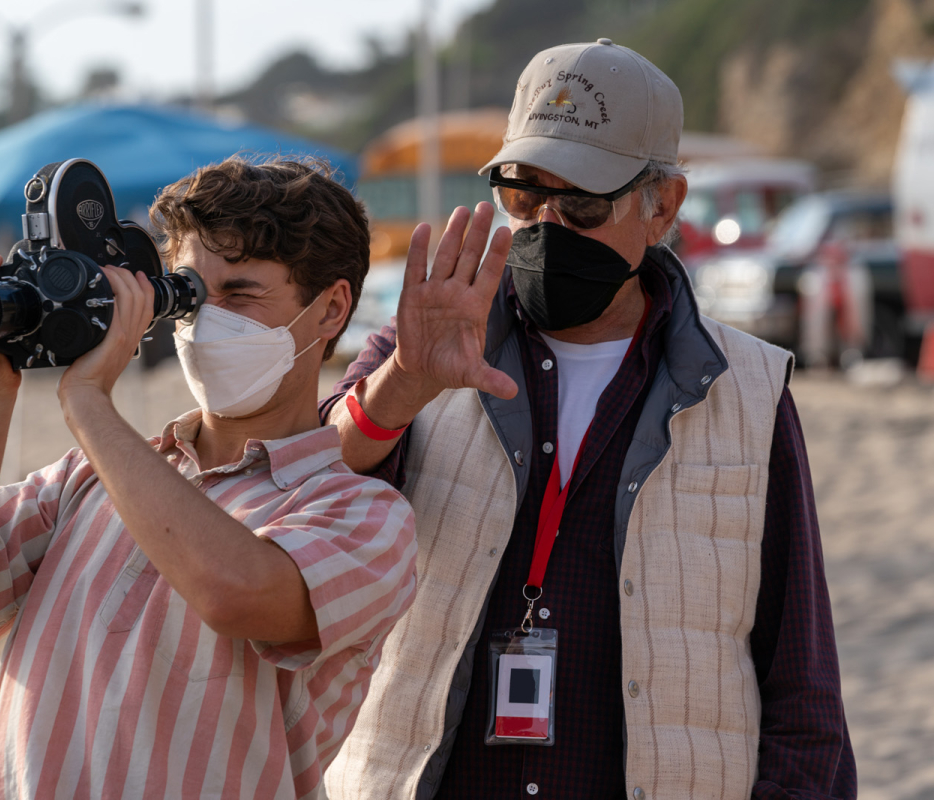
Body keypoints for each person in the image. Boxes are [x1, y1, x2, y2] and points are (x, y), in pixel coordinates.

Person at [321, 40, 855, 799]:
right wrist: (403, 383)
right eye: (522, 196)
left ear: (662, 205)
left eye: (581, 204)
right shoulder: (418, 348)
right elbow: (311, 489)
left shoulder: (751, 390)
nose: (545, 227)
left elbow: (802, 684)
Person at [0, 156, 418, 799]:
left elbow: (237, 595)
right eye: (189, 293)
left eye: (241, 293)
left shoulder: (364, 513)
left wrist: (87, 402)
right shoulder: (88, 474)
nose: (207, 319)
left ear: (332, 309)